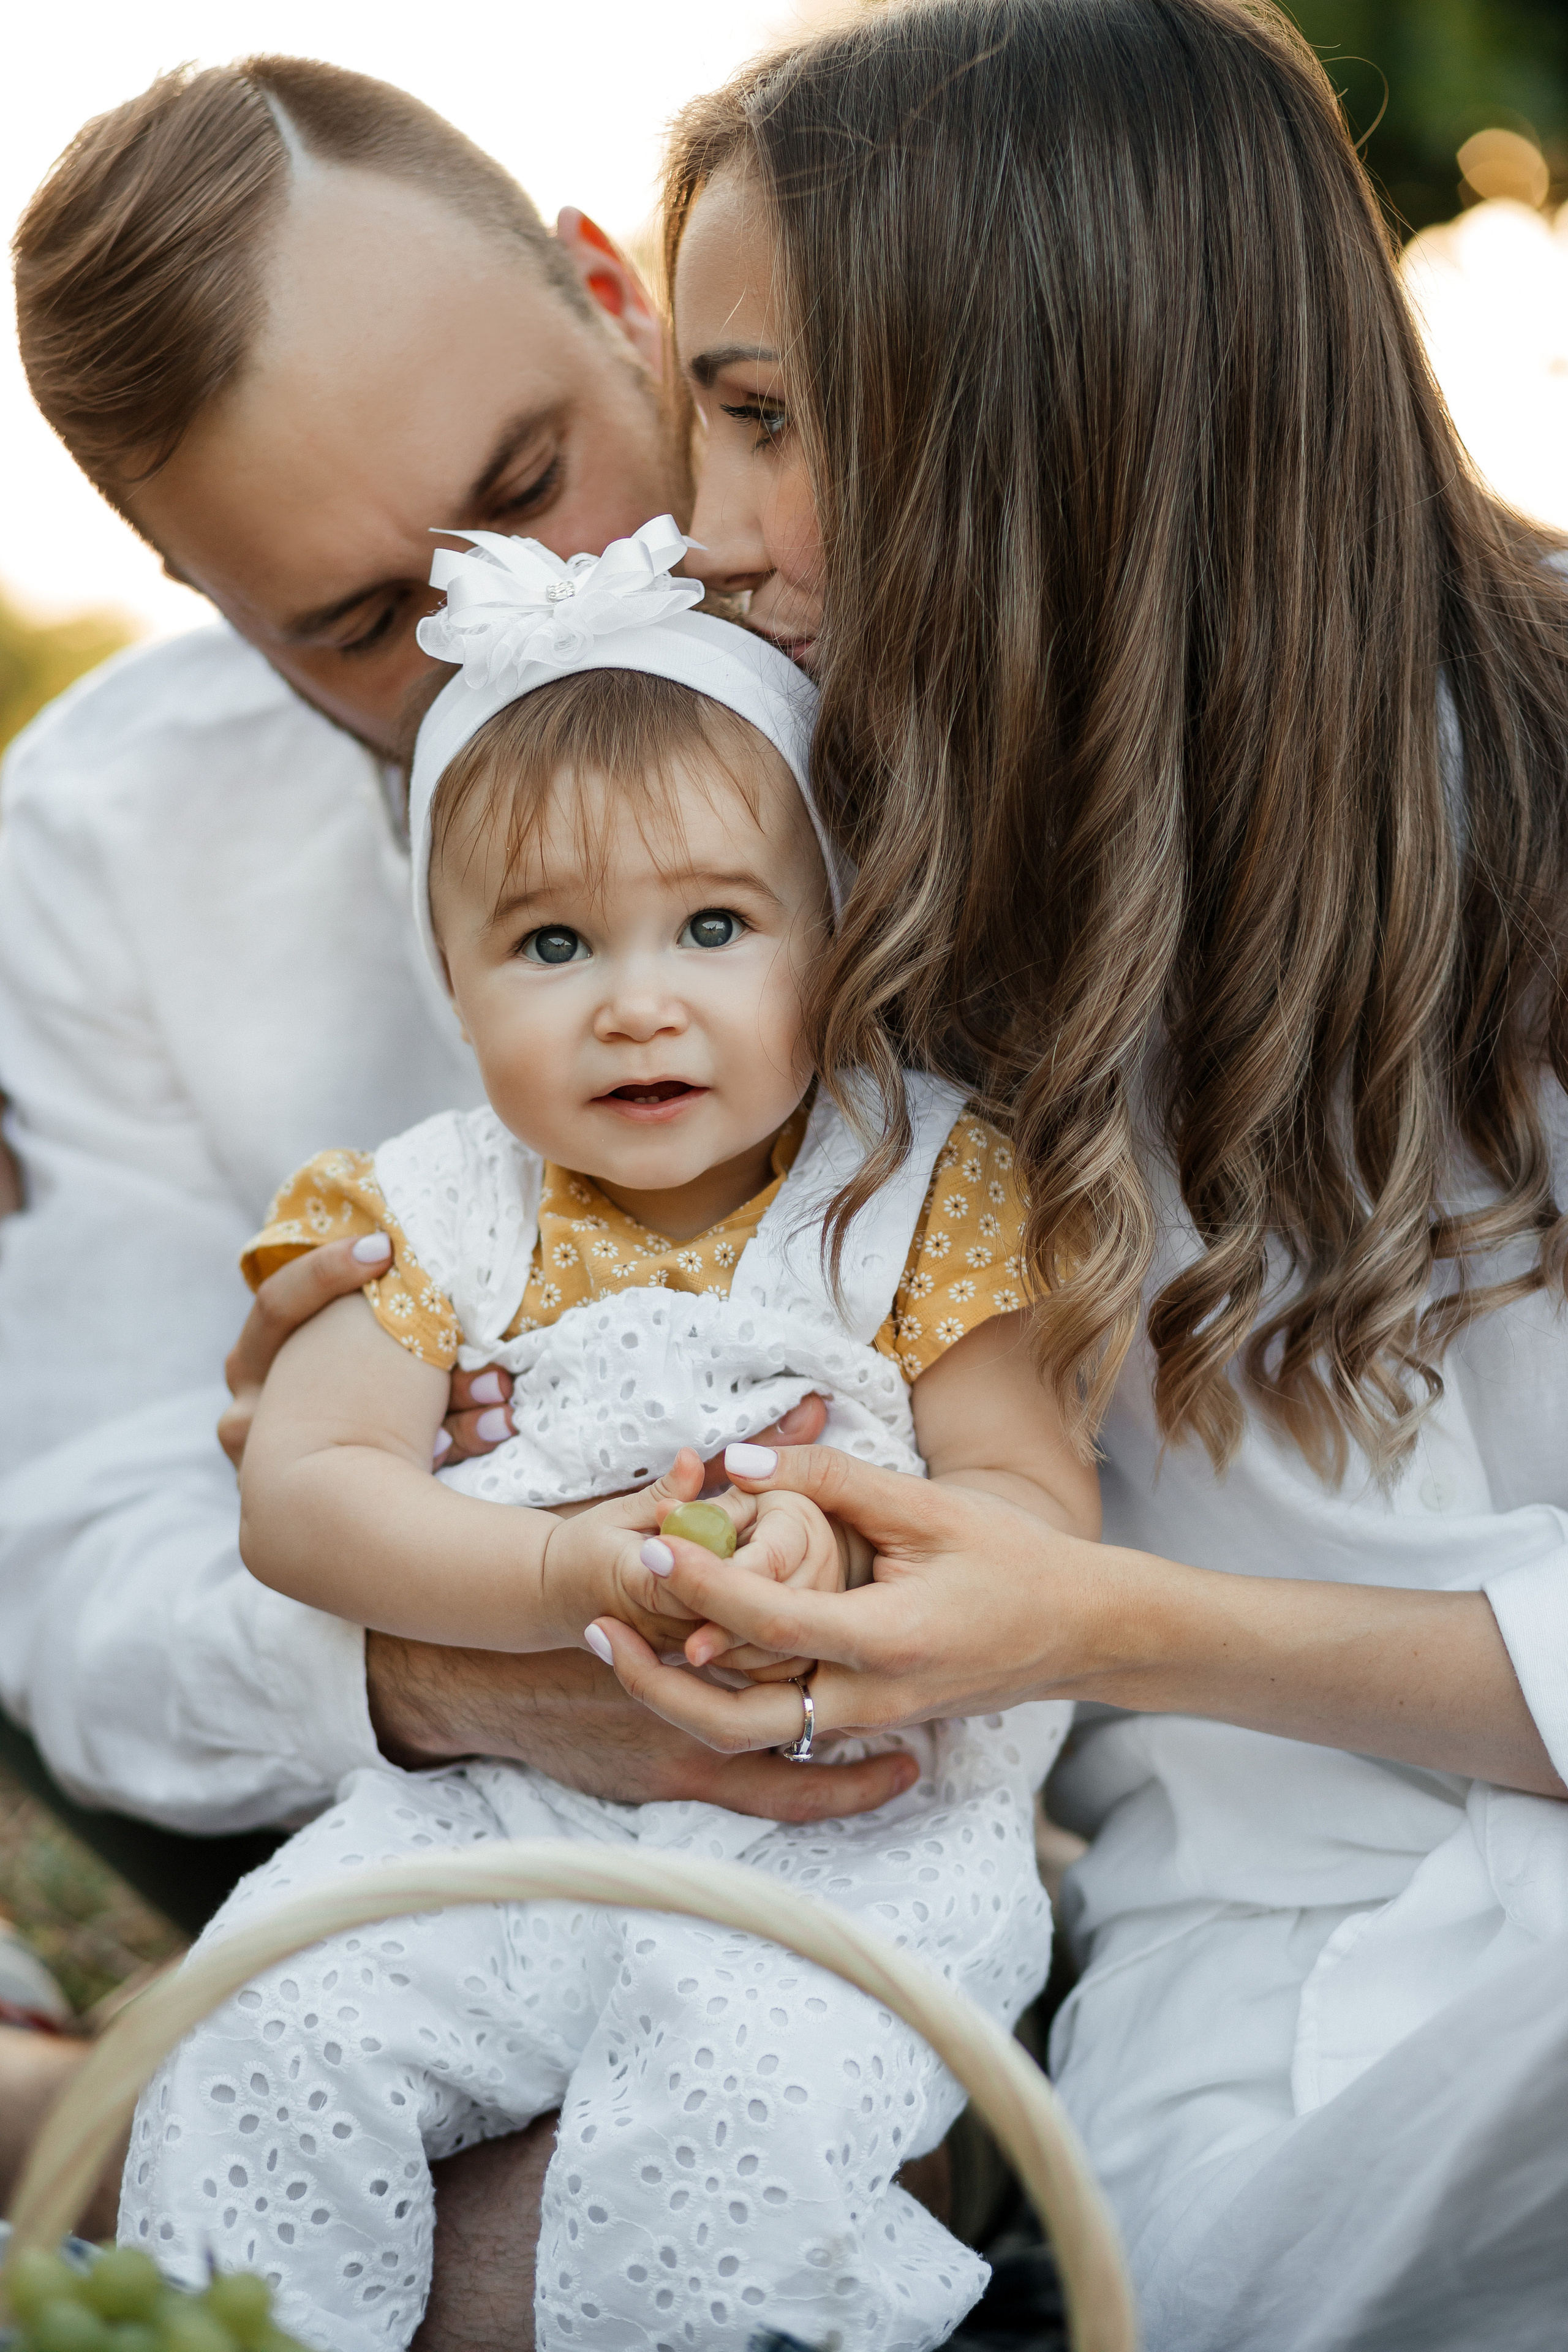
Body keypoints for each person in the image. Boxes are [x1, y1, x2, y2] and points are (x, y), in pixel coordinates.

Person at [558, 3, 1567, 2346]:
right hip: (1245, 2033)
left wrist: (1090, 1617)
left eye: (772, 417)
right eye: (713, 406)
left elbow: (1091, 1614)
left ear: (1049, 406)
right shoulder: (854, 925)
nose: (709, 531)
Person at [0, 56, 910, 2337]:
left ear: (617, 298)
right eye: (354, 620)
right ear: (209, 610)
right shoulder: (98, 854)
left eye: (531, 483)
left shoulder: (931, 655)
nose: (514, 609)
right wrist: (448, 1651)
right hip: (404, 1809)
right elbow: (85, 1566)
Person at [121, 522, 1089, 2350]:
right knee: (271, 2024)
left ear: (832, 929)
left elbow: (1033, 1499)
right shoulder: (423, 1208)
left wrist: (857, 1551)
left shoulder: (919, 1184)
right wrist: (560, 1563)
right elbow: (305, 1497)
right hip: (499, 1823)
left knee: (727, 2125)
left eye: (714, 926)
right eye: (552, 943)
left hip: (850, 1841)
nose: (638, 998)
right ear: (450, 979)